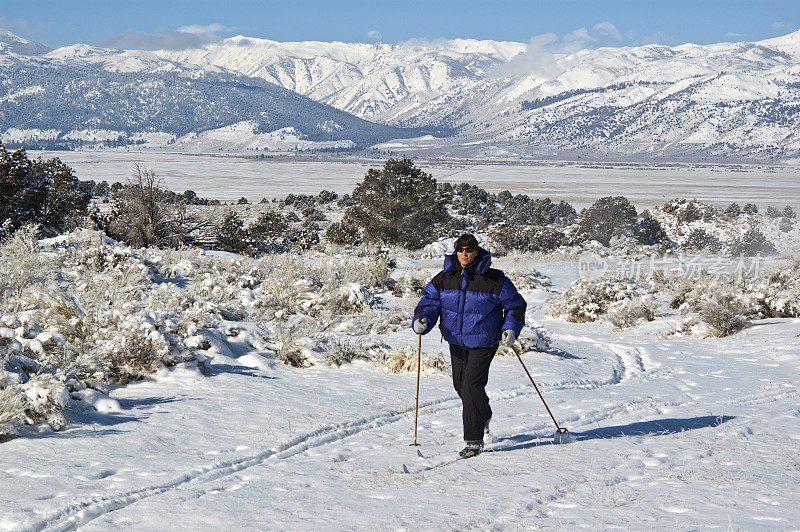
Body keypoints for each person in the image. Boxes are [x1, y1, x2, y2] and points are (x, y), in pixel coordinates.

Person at [412, 234, 526, 458]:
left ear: (476, 251)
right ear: (456, 251)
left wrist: (511, 329)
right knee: (460, 386)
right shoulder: (444, 277)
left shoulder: (494, 279)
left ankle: (474, 440)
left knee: (471, 385)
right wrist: (423, 318)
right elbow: (429, 302)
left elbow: (515, 306)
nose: (465, 253)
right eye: (461, 249)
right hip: (456, 339)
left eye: (469, 249)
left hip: (485, 341)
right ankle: (482, 414)